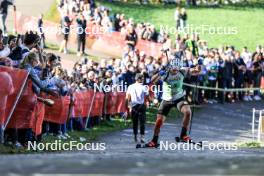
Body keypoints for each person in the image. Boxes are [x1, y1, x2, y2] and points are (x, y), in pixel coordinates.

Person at [145, 53, 201, 148]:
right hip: (166, 100)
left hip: (179, 98)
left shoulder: (182, 71)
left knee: (187, 112)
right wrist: (159, 73)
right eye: (174, 69)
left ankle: (183, 135)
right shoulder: (166, 74)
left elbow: (196, 71)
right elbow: (152, 80)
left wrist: (199, 64)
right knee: (159, 121)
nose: (175, 71)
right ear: (170, 67)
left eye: (177, 69)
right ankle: (154, 141)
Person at [126, 73, 149, 143]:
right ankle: (142, 137)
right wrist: (151, 100)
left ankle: (135, 136)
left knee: (135, 122)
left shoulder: (130, 86)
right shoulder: (144, 87)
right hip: (141, 106)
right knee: (142, 122)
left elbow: (127, 98)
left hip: (134, 106)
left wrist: (128, 107)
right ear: (138, 79)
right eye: (142, 78)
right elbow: (147, 97)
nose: (143, 79)